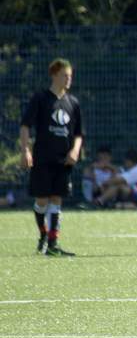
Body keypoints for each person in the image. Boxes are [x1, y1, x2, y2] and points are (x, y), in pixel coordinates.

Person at [19, 58, 83, 257]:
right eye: (65, 75)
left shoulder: (73, 103)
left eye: (70, 76)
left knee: (57, 199)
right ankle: (43, 235)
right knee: (42, 201)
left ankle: (53, 244)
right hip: (43, 158)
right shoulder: (40, 99)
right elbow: (25, 126)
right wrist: (25, 150)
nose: (68, 79)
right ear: (54, 75)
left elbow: (79, 134)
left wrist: (75, 151)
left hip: (63, 161)